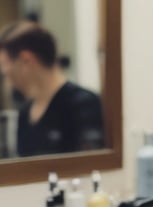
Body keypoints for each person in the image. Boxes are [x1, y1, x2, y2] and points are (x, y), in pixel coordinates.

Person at [0, 20, 104, 157]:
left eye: (7, 71)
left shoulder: (84, 104)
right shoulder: (25, 114)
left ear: (26, 60)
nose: (8, 81)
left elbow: (89, 164)